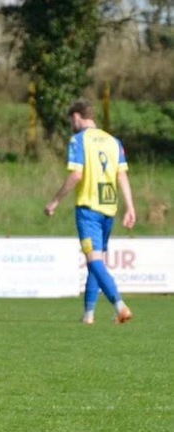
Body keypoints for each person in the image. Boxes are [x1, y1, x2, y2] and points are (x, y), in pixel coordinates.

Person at [44, 99, 135, 324]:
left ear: (76, 116)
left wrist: (55, 201)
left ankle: (120, 305)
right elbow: (121, 175)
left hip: (88, 209)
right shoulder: (114, 141)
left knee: (94, 261)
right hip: (109, 209)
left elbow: (76, 175)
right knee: (96, 260)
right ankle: (89, 314)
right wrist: (130, 207)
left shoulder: (79, 140)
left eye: (71, 121)